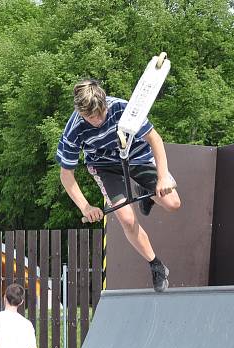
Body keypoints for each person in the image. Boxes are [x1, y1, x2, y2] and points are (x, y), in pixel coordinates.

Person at [57, 78, 182, 292]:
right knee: (126, 218)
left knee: (172, 204)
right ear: (80, 113)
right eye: (90, 117)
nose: (96, 121)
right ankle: (156, 265)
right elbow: (66, 174)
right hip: (104, 166)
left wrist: (162, 177)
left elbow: (155, 139)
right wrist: (85, 206)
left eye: (99, 114)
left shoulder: (123, 108)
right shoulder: (74, 129)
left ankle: (145, 189)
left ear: (105, 104)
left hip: (138, 156)